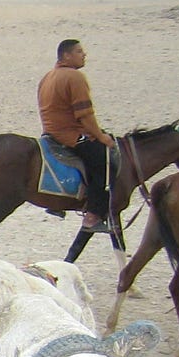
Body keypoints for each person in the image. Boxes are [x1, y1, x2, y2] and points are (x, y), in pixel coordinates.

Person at [38, 37, 113, 228]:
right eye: (79, 51)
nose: (84, 55)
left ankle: (56, 202)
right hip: (69, 136)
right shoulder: (75, 77)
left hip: (50, 134)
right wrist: (101, 136)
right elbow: (85, 115)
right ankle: (93, 214)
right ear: (66, 56)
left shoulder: (47, 77)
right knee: (102, 160)